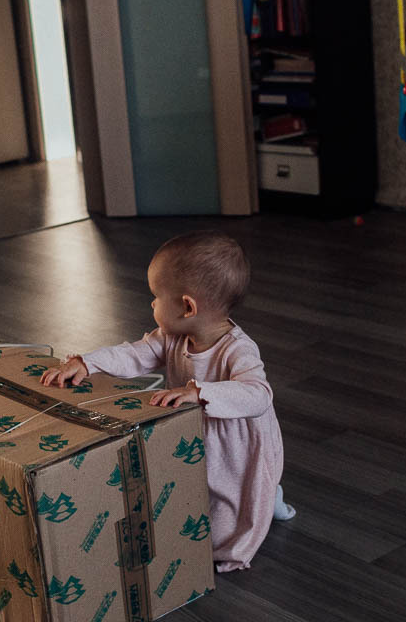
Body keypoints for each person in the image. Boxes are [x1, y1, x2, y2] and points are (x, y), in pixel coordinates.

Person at [40, 230, 294, 572]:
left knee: (224, 520)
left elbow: (259, 394)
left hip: (234, 445)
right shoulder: (173, 337)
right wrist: (88, 363)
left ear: (187, 306)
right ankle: (265, 494)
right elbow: (134, 355)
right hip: (195, 430)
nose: (152, 304)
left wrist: (200, 392)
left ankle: (264, 500)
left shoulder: (237, 349)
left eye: (156, 296)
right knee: (190, 489)